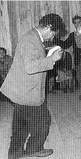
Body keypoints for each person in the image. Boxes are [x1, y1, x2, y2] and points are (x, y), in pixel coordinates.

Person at [0, 13, 65, 159]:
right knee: (43, 120)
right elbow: (30, 67)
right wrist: (52, 59)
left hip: (22, 90)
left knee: (20, 123)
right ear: (49, 27)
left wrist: (47, 54)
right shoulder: (31, 41)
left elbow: (31, 59)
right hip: (28, 91)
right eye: (54, 33)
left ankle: (15, 153)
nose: (53, 37)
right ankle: (33, 149)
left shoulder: (32, 36)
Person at [53, 15, 81, 100]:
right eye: (75, 23)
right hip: (78, 60)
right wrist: (54, 38)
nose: (77, 24)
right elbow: (65, 44)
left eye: (79, 22)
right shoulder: (73, 35)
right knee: (80, 78)